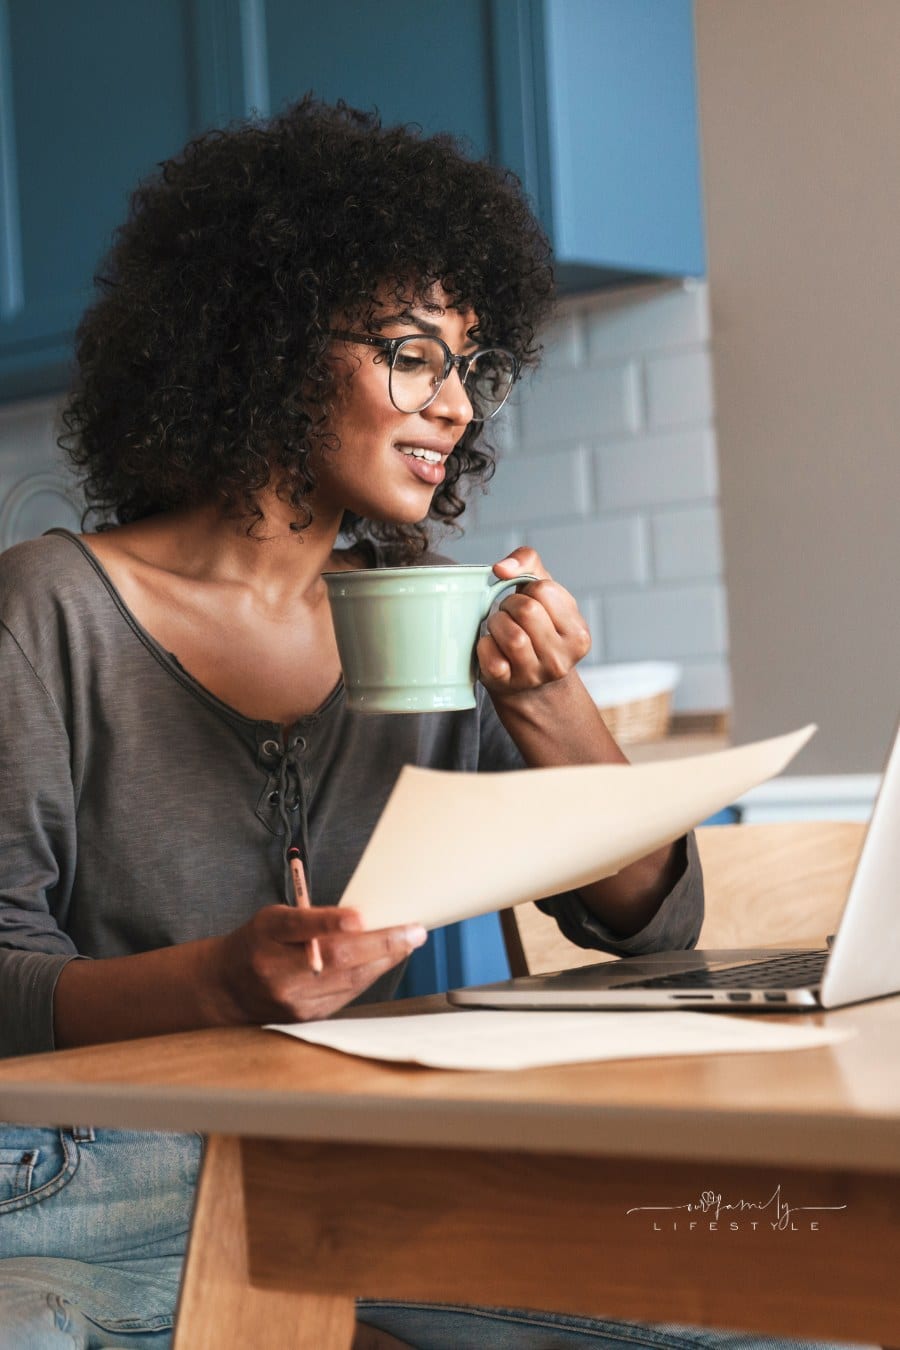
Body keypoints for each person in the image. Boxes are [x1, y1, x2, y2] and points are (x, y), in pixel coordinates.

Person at [0, 97, 842, 1350]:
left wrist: (550, 705)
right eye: (411, 354)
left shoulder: (429, 612)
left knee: (790, 1303)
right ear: (265, 345)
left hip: (370, 1158)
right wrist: (227, 981)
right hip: (85, 1185)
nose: (457, 405)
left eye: (472, 365)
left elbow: (648, 924)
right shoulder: (49, 607)